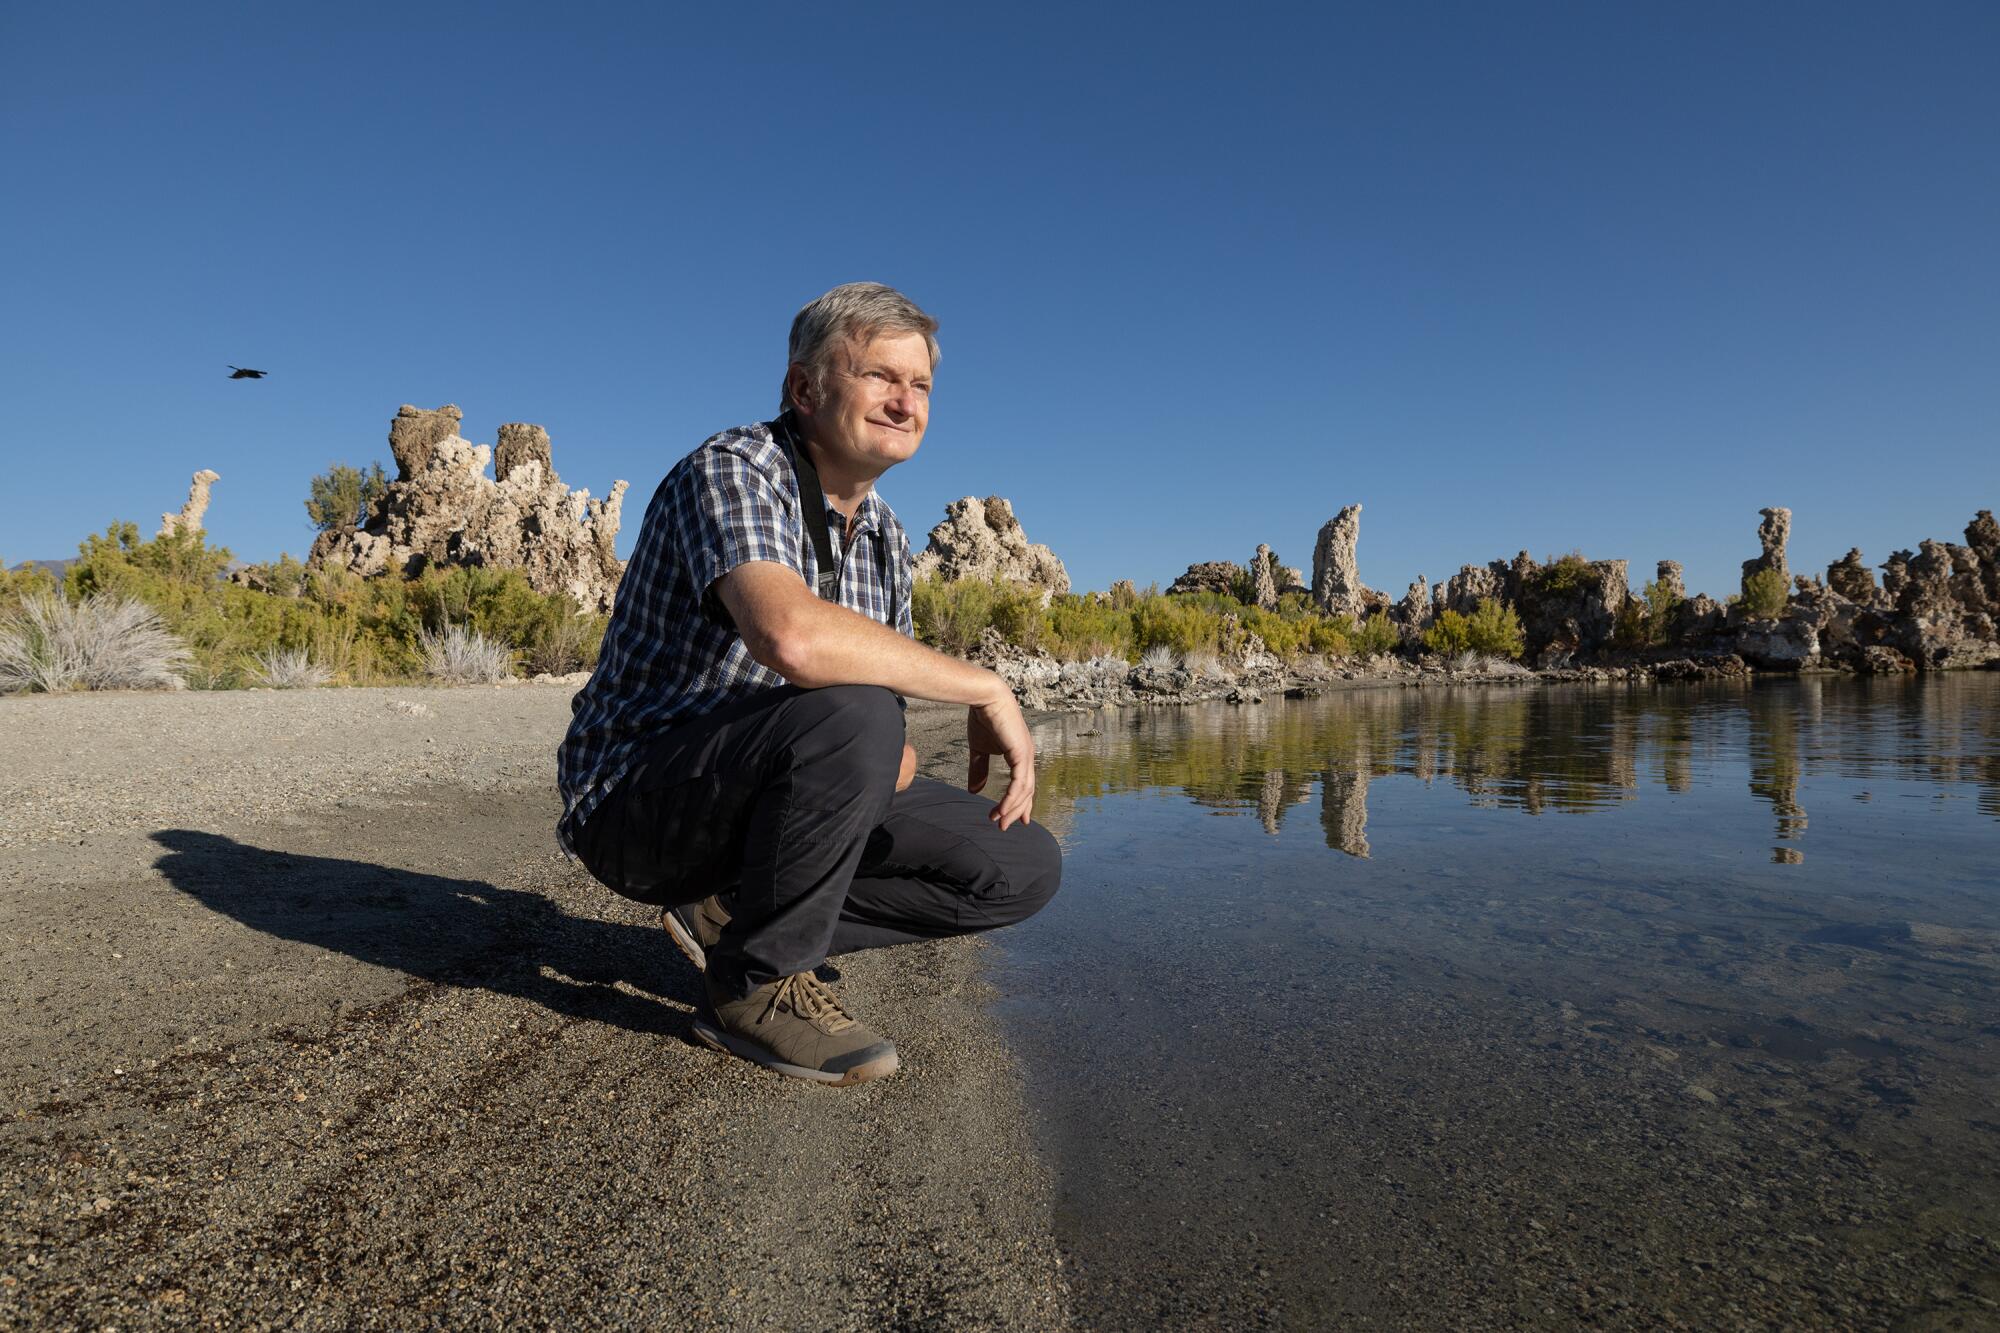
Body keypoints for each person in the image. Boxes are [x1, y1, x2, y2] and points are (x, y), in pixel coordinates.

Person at [557, 282, 1062, 1087]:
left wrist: (878, 752)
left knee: (1021, 864)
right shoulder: (734, 469)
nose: (906, 402)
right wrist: (983, 687)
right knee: (853, 714)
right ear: (804, 388)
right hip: (635, 801)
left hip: (760, 785)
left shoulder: (886, 536)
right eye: (880, 376)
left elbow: (880, 739)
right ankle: (754, 985)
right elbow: (789, 636)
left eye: (921, 384)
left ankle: (738, 916)